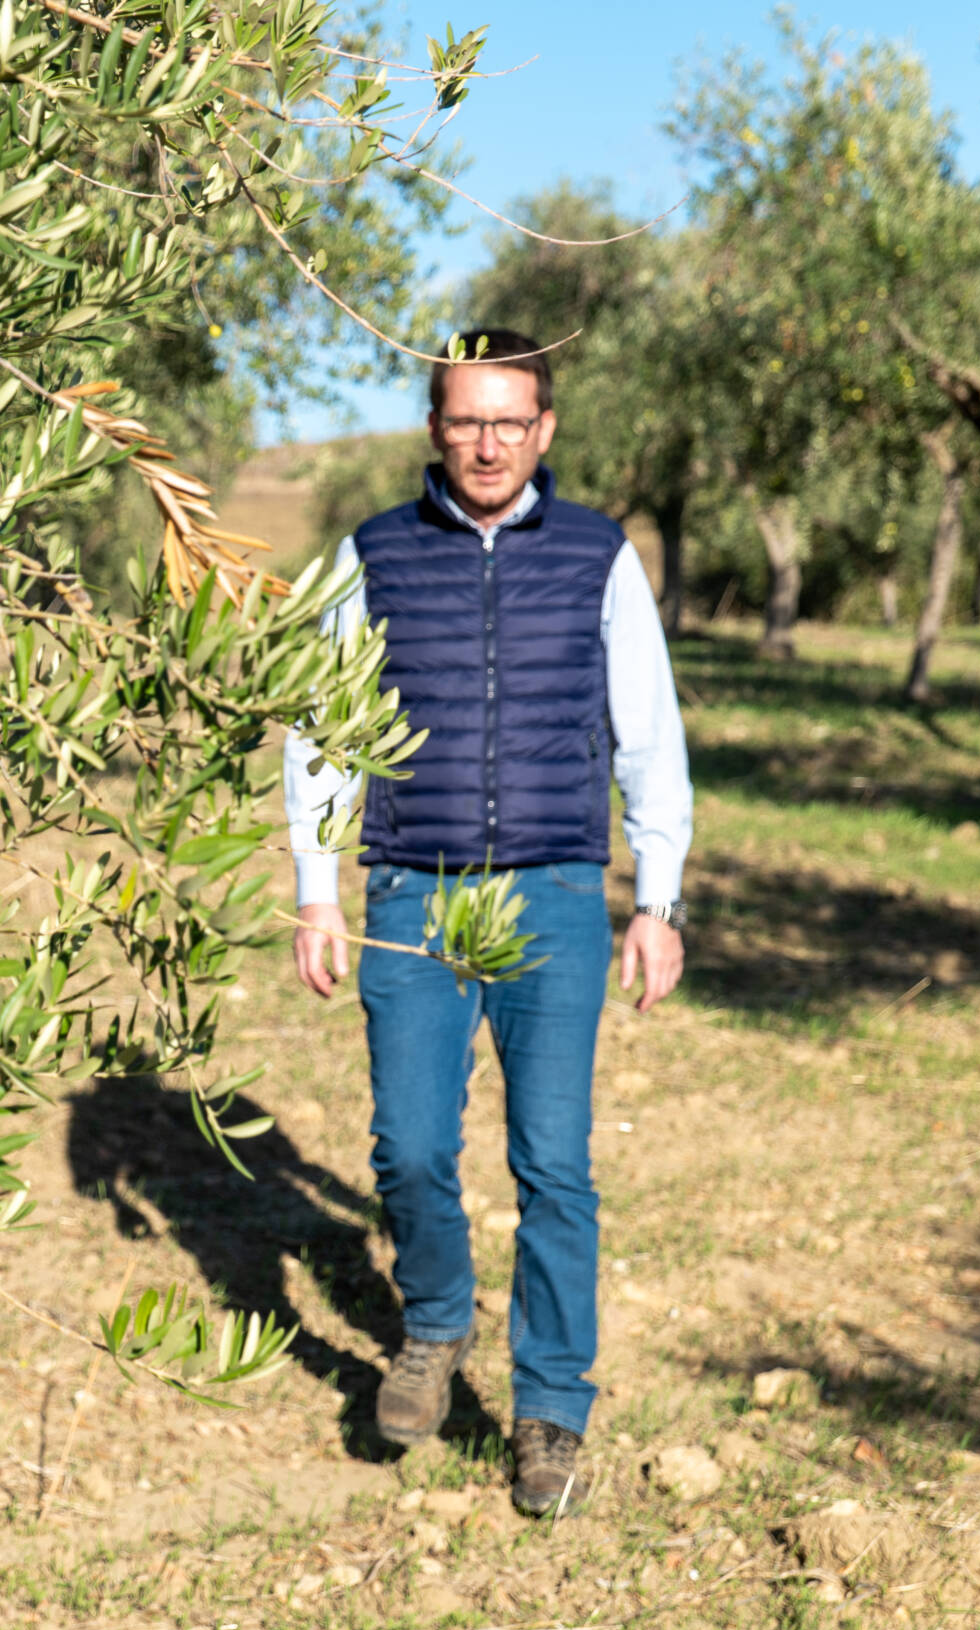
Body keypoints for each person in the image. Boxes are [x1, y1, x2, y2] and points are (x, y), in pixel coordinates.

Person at [284, 328, 692, 1517]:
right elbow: (322, 728)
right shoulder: (373, 556)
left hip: (556, 892)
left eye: (510, 420)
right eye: (467, 420)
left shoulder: (596, 553)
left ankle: (550, 1411)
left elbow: (648, 734)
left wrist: (654, 899)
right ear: (433, 428)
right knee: (408, 1148)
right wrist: (317, 882)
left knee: (551, 1164)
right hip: (411, 889)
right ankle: (436, 1320)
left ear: (545, 430)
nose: (488, 442)